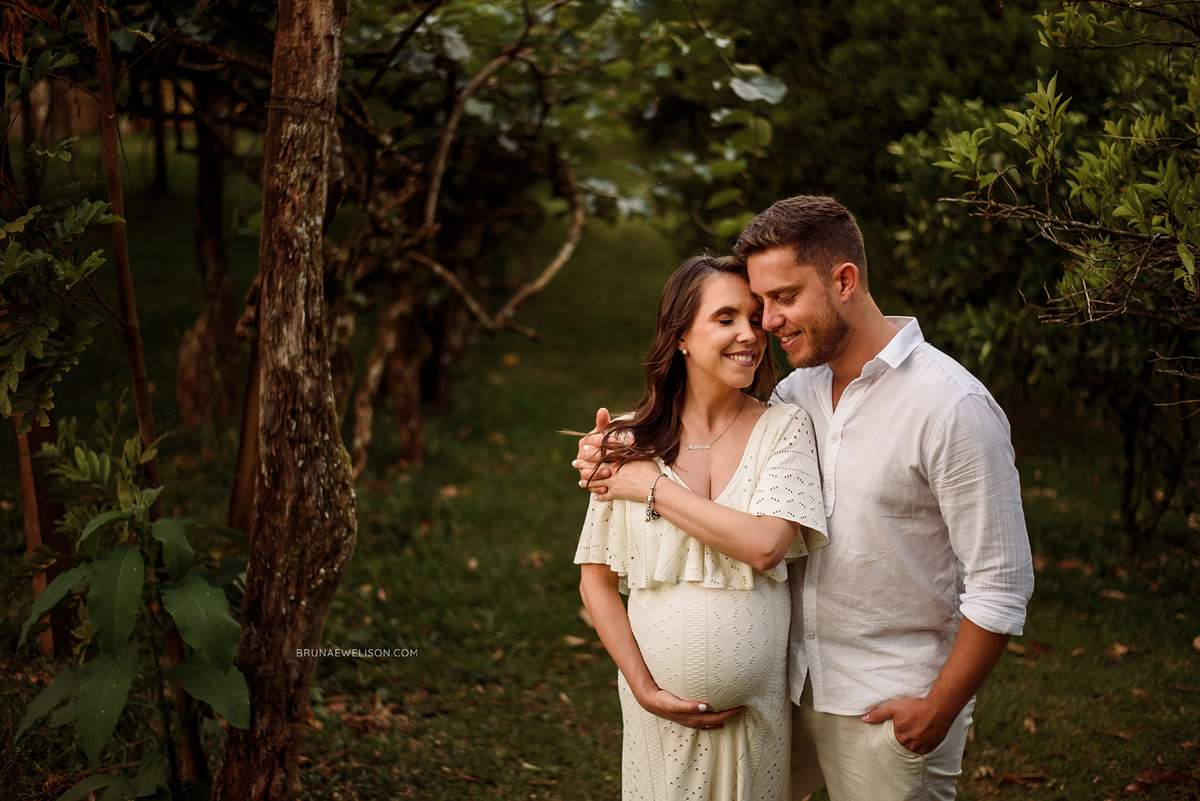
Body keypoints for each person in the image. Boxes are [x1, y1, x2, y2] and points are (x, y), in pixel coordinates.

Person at [576, 196, 1035, 801]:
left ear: (844, 281)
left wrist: (940, 707)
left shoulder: (951, 408)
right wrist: (607, 453)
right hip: (787, 690)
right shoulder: (798, 391)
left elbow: (1001, 584)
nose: (765, 323)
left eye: (783, 298)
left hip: (886, 703)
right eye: (758, 304)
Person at [575, 254, 829, 801]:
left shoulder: (783, 427)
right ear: (681, 336)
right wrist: (643, 688)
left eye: (754, 316)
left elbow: (766, 545)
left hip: (756, 722)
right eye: (725, 318)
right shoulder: (625, 440)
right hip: (656, 722)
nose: (750, 334)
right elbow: (595, 581)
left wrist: (651, 487)